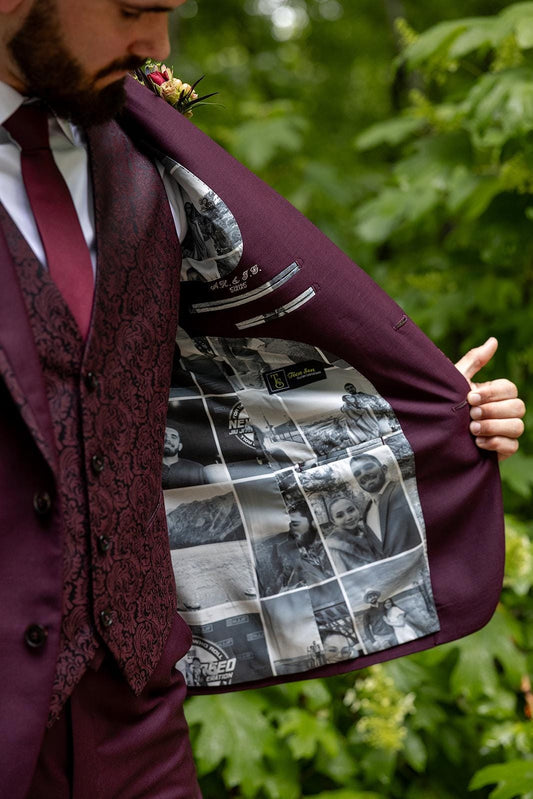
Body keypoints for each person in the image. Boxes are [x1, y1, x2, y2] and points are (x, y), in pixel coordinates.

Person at [0, 1, 525, 797]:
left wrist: (411, 416)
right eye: (133, 10)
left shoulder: (149, 166)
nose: (157, 45)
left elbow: (209, 383)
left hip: (135, 716)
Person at [350, 453, 422, 556]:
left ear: (384, 469)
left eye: (368, 467)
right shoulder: (367, 512)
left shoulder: (403, 490)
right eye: (357, 473)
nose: (363, 474)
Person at [326, 495, 385, 572]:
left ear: (358, 509)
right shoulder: (334, 546)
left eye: (351, 510)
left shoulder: (369, 530)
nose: (349, 517)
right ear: (333, 521)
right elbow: (344, 577)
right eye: (340, 516)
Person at [162, 420, 207, 489]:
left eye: (173, 437)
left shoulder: (197, 469)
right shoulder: (146, 467)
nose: (168, 439)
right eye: (164, 435)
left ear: (180, 446)